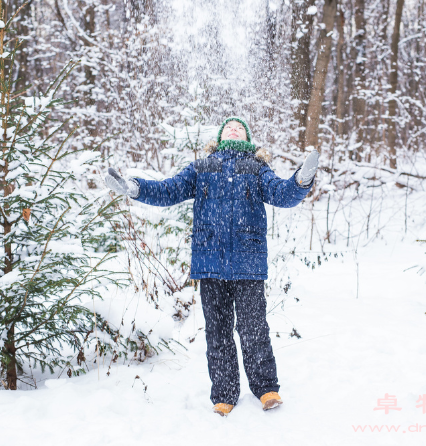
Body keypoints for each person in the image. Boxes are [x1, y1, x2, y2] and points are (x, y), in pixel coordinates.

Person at [105, 117, 318, 417]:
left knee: (253, 329)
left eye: (239, 127)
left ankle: (267, 389)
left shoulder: (257, 168)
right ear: (218, 137)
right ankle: (224, 394)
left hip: (248, 263)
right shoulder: (202, 167)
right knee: (217, 333)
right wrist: (134, 188)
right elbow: (169, 190)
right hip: (210, 263)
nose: (234, 129)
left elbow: (283, 195)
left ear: (247, 137)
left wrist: (301, 180)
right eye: (228, 127)